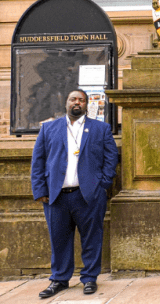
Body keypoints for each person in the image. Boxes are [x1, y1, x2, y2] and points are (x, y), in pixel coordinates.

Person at [31, 90, 118, 298]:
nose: (77, 103)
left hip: (88, 194)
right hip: (56, 196)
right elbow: (38, 161)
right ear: (66, 103)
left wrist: (102, 184)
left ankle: (89, 278)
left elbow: (111, 157)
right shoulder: (49, 129)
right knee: (58, 239)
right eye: (73, 99)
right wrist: (40, 190)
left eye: (81, 100)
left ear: (86, 105)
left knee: (92, 238)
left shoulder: (101, 129)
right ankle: (59, 279)